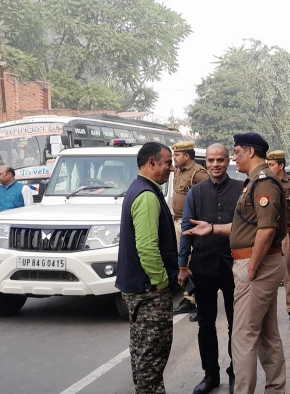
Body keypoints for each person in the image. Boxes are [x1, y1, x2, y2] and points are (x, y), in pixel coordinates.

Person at [185, 133, 287, 394]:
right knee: (266, 334)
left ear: (250, 152)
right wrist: (212, 228)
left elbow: (265, 230)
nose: (232, 159)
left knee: (242, 337)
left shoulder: (262, 182)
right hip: (225, 265)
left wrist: (251, 268)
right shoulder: (252, 183)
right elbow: (244, 226)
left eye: (235, 153)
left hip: (254, 267)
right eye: (212, 159)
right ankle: (274, 388)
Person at [177, 144, 243, 394]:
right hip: (202, 265)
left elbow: (246, 227)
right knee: (205, 323)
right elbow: (186, 229)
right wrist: (183, 264)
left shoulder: (240, 189)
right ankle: (210, 375)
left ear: (228, 162)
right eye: (211, 160)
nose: (216, 164)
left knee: (237, 324)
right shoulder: (196, 192)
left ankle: (236, 372)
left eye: (221, 160)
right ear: (206, 162)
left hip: (233, 266)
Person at [115, 142, 177, 394]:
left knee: (142, 356)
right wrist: (162, 283)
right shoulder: (147, 196)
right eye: (167, 163)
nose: (171, 169)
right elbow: (148, 249)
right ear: (151, 163)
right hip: (150, 292)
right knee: (151, 361)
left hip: (138, 289)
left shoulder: (139, 189)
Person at [266, 150, 290, 331]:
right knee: (266, 276)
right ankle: (266, 315)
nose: (269, 167)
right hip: (266, 237)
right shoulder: (264, 183)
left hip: (286, 236)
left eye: (272, 165)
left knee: (288, 277)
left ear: (281, 166)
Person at [171, 141, 209, 319]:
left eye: (177, 155)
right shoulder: (179, 170)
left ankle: (199, 302)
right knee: (182, 262)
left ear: (186, 156)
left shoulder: (198, 173)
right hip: (178, 222)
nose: (174, 158)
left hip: (192, 225)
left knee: (193, 262)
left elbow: (210, 192)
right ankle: (188, 298)